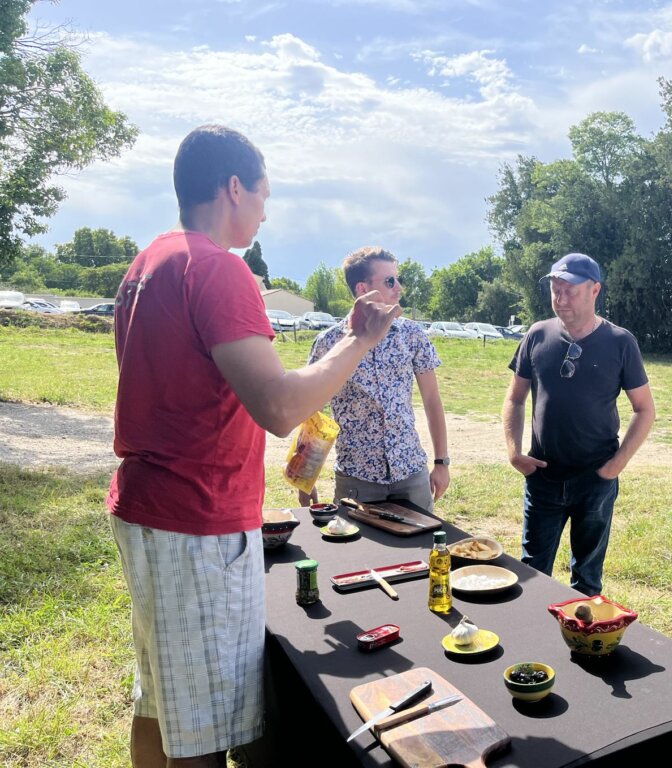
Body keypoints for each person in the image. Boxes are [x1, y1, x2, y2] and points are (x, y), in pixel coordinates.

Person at [106, 124, 400, 768]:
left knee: (162, 700)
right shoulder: (220, 268)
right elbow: (280, 407)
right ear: (234, 187)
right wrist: (361, 342)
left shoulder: (151, 260)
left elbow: (199, 375)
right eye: (265, 193)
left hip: (151, 509)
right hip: (194, 517)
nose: (267, 209)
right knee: (203, 729)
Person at [502, 252, 655, 596]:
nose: (561, 298)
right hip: (543, 475)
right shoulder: (537, 335)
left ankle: (583, 642)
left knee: (586, 578)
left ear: (595, 290)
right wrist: (514, 453)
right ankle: (530, 641)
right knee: (531, 571)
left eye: (571, 290)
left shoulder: (620, 342)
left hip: (594, 479)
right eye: (556, 289)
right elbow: (515, 398)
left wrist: (615, 466)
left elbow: (645, 409)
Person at [299, 247, 449, 512]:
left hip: (410, 472)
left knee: (420, 551)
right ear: (362, 288)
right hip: (358, 478)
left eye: (397, 278)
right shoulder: (329, 343)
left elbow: (432, 400)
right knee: (358, 553)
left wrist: (441, 462)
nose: (399, 287)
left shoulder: (412, 335)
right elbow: (312, 412)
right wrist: (304, 477)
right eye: (389, 281)